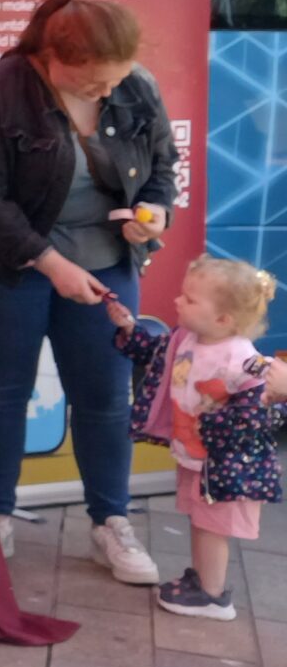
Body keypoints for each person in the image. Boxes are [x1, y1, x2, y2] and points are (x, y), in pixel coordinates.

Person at [0, 0, 173, 580]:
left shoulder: (135, 84)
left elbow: (163, 166)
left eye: (115, 79)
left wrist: (154, 209)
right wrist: (49, 263)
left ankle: (110, 522)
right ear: (51, 59)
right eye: (95, 81)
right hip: (6, 264)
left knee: (105, 395)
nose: (106, 91)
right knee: (0, 391)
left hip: (107, 260)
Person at [107, 258, 287, 620]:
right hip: (198, 459)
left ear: (224, 320)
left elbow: (260, 414)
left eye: (189, 300)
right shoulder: (185, 338)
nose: (178, 302)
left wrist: (213, 425)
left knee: (212, 528)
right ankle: (203, 581)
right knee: (200, 522)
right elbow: (155, 356)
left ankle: (213, 596)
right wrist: (129, 329)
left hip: (224, 469)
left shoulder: (242, 360)